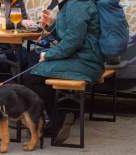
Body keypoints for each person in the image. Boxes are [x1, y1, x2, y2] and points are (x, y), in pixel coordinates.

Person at [22, 0, 104, 144]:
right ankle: (58, 117)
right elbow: (70, 33)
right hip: (82, 59)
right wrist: (53, 23)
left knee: (31, 76)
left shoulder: (77, 4)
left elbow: (73, 41)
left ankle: (62, 114)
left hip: (86, 63)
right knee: (33, 66)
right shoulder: (71, 4)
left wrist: (48, 55)